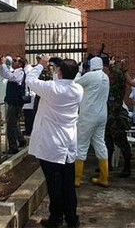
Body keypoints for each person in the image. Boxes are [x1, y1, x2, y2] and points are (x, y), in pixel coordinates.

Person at [26, 55, 83, 228]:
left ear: (59, 73)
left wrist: (41, 64)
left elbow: (29, 79)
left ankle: (56, 219)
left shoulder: (52, 89)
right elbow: (60, 82)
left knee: (54, 186)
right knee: (68, 184)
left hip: (51, 146)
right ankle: (72, 219)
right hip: (68, 145)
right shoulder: (78, 89)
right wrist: (58, 64)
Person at [74, 57, 110, 188]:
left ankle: (77, 179)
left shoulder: (90, 76)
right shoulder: (106, 77)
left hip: (88, 115)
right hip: (102, 115)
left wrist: (78, 70)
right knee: (100, 144)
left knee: (81, 145)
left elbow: (75, 83)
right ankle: (104, 178)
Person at [103, 56, 133, 178]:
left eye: (112, 75)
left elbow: (119, 76)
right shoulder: (108, 86)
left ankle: (127, 167)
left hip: (116, 118)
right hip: (107, 117)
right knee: (107, 143)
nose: (111, 76)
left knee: (122, 143)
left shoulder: (119, 86)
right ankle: (107, 165)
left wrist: (113, 65)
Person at [0, 56, 28, 154]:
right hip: (12, 101)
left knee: (10, 125)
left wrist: (3, 64)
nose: (14, 62)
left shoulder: (20, 73)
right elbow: (4, 74)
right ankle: (21, 140)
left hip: (15, 102)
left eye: (16, 61)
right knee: (14, 123)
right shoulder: (14, 72)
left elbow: (9, 76)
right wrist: (1, 64)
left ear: (20, 64)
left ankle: (13, 147)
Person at [0, 56, 13, 122]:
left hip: (10, 93)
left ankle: (9, 124)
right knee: (3, 108)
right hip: (2, 92)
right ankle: (4, 124)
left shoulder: (12, 70)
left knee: (10, 109)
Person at [22, 58, 36, 136]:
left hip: (29, 94)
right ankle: (28, 129)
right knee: (27, 114)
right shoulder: (29, 69)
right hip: (29, 94)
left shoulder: (28, 70)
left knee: (29, 114)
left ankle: (29, 130)